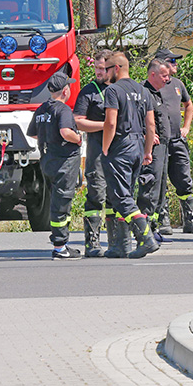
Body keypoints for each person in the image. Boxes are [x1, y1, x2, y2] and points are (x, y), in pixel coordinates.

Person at [101, 51, 159, 259]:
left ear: (116, 68)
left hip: (120, 146)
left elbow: (110, 123)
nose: (105, 72)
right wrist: (147, 151)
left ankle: (146, 238)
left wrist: (105, 148)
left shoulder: (113, 91)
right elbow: (151, 125)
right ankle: (121, 245)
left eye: (107, 68)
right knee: (125, 195)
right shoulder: (144, 91)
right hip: (137, 145)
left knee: (121, 196)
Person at [27, 71, 84, 260]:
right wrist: (78, 139)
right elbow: (66, 131)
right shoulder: (63, 110)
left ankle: (62, 244)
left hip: (48, 161)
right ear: (65, 90)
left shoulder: (42, 109)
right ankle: (60, 246)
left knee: (56, 201)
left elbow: (34, 134)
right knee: (62, 202)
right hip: (63, 163)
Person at [156, 48, 193, 235]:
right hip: (159, 143)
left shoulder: (178, 84)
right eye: (172, 61)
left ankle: (190, 219)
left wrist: (187, 127)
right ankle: (163, 219)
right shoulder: (150, 85)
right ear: (162, 63)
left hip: (177, 140)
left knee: (185, 180)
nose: (176, 64)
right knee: (160, 182)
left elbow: (189, 105)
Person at [73, 49, 114, 257]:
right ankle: (92, 241)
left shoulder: (120, 88)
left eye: (103, 68)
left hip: (120, 151)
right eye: (96, 67)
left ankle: (117, 240)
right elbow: (78, 121)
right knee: (96, 194)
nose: (99, 72)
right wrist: (105, 125)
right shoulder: (89, 91)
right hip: (97, 152)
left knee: (117, 196)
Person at [137, 59, 172, 243]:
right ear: (153, 74)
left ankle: (153, 227)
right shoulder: (143, 92)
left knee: (160, 189)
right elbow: (135, 118)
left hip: (164, 148)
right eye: (164, 75)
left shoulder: (157, 93)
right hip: (152, 149)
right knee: (149, 188)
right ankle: (143, 231)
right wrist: (146, 136)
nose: (168, 79)